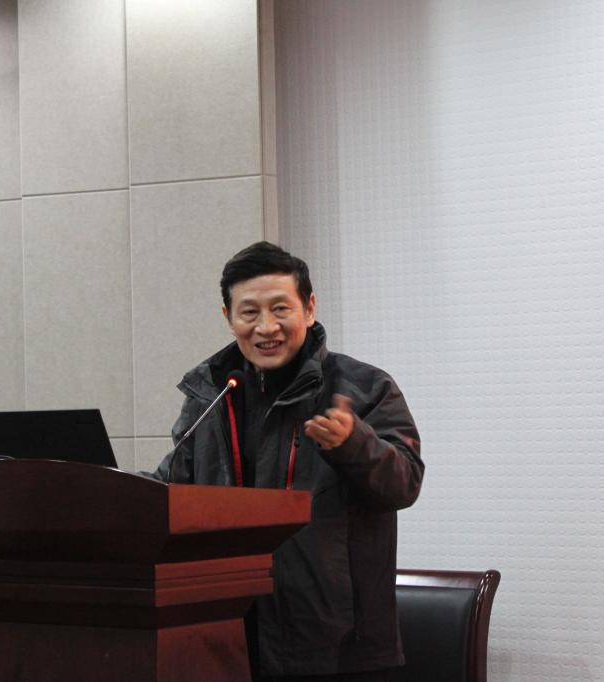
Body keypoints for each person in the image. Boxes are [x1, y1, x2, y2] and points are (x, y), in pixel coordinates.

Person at [152, 241, 423, 680]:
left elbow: (404, 483)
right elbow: (171, 488)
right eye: (249, 313)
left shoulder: (365, 387)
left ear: (309, 308)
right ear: (228, 317)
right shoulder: (211, 396)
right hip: (228, 636)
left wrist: (354, 444)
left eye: (280, 309)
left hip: (336, 646)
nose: (266, 327)